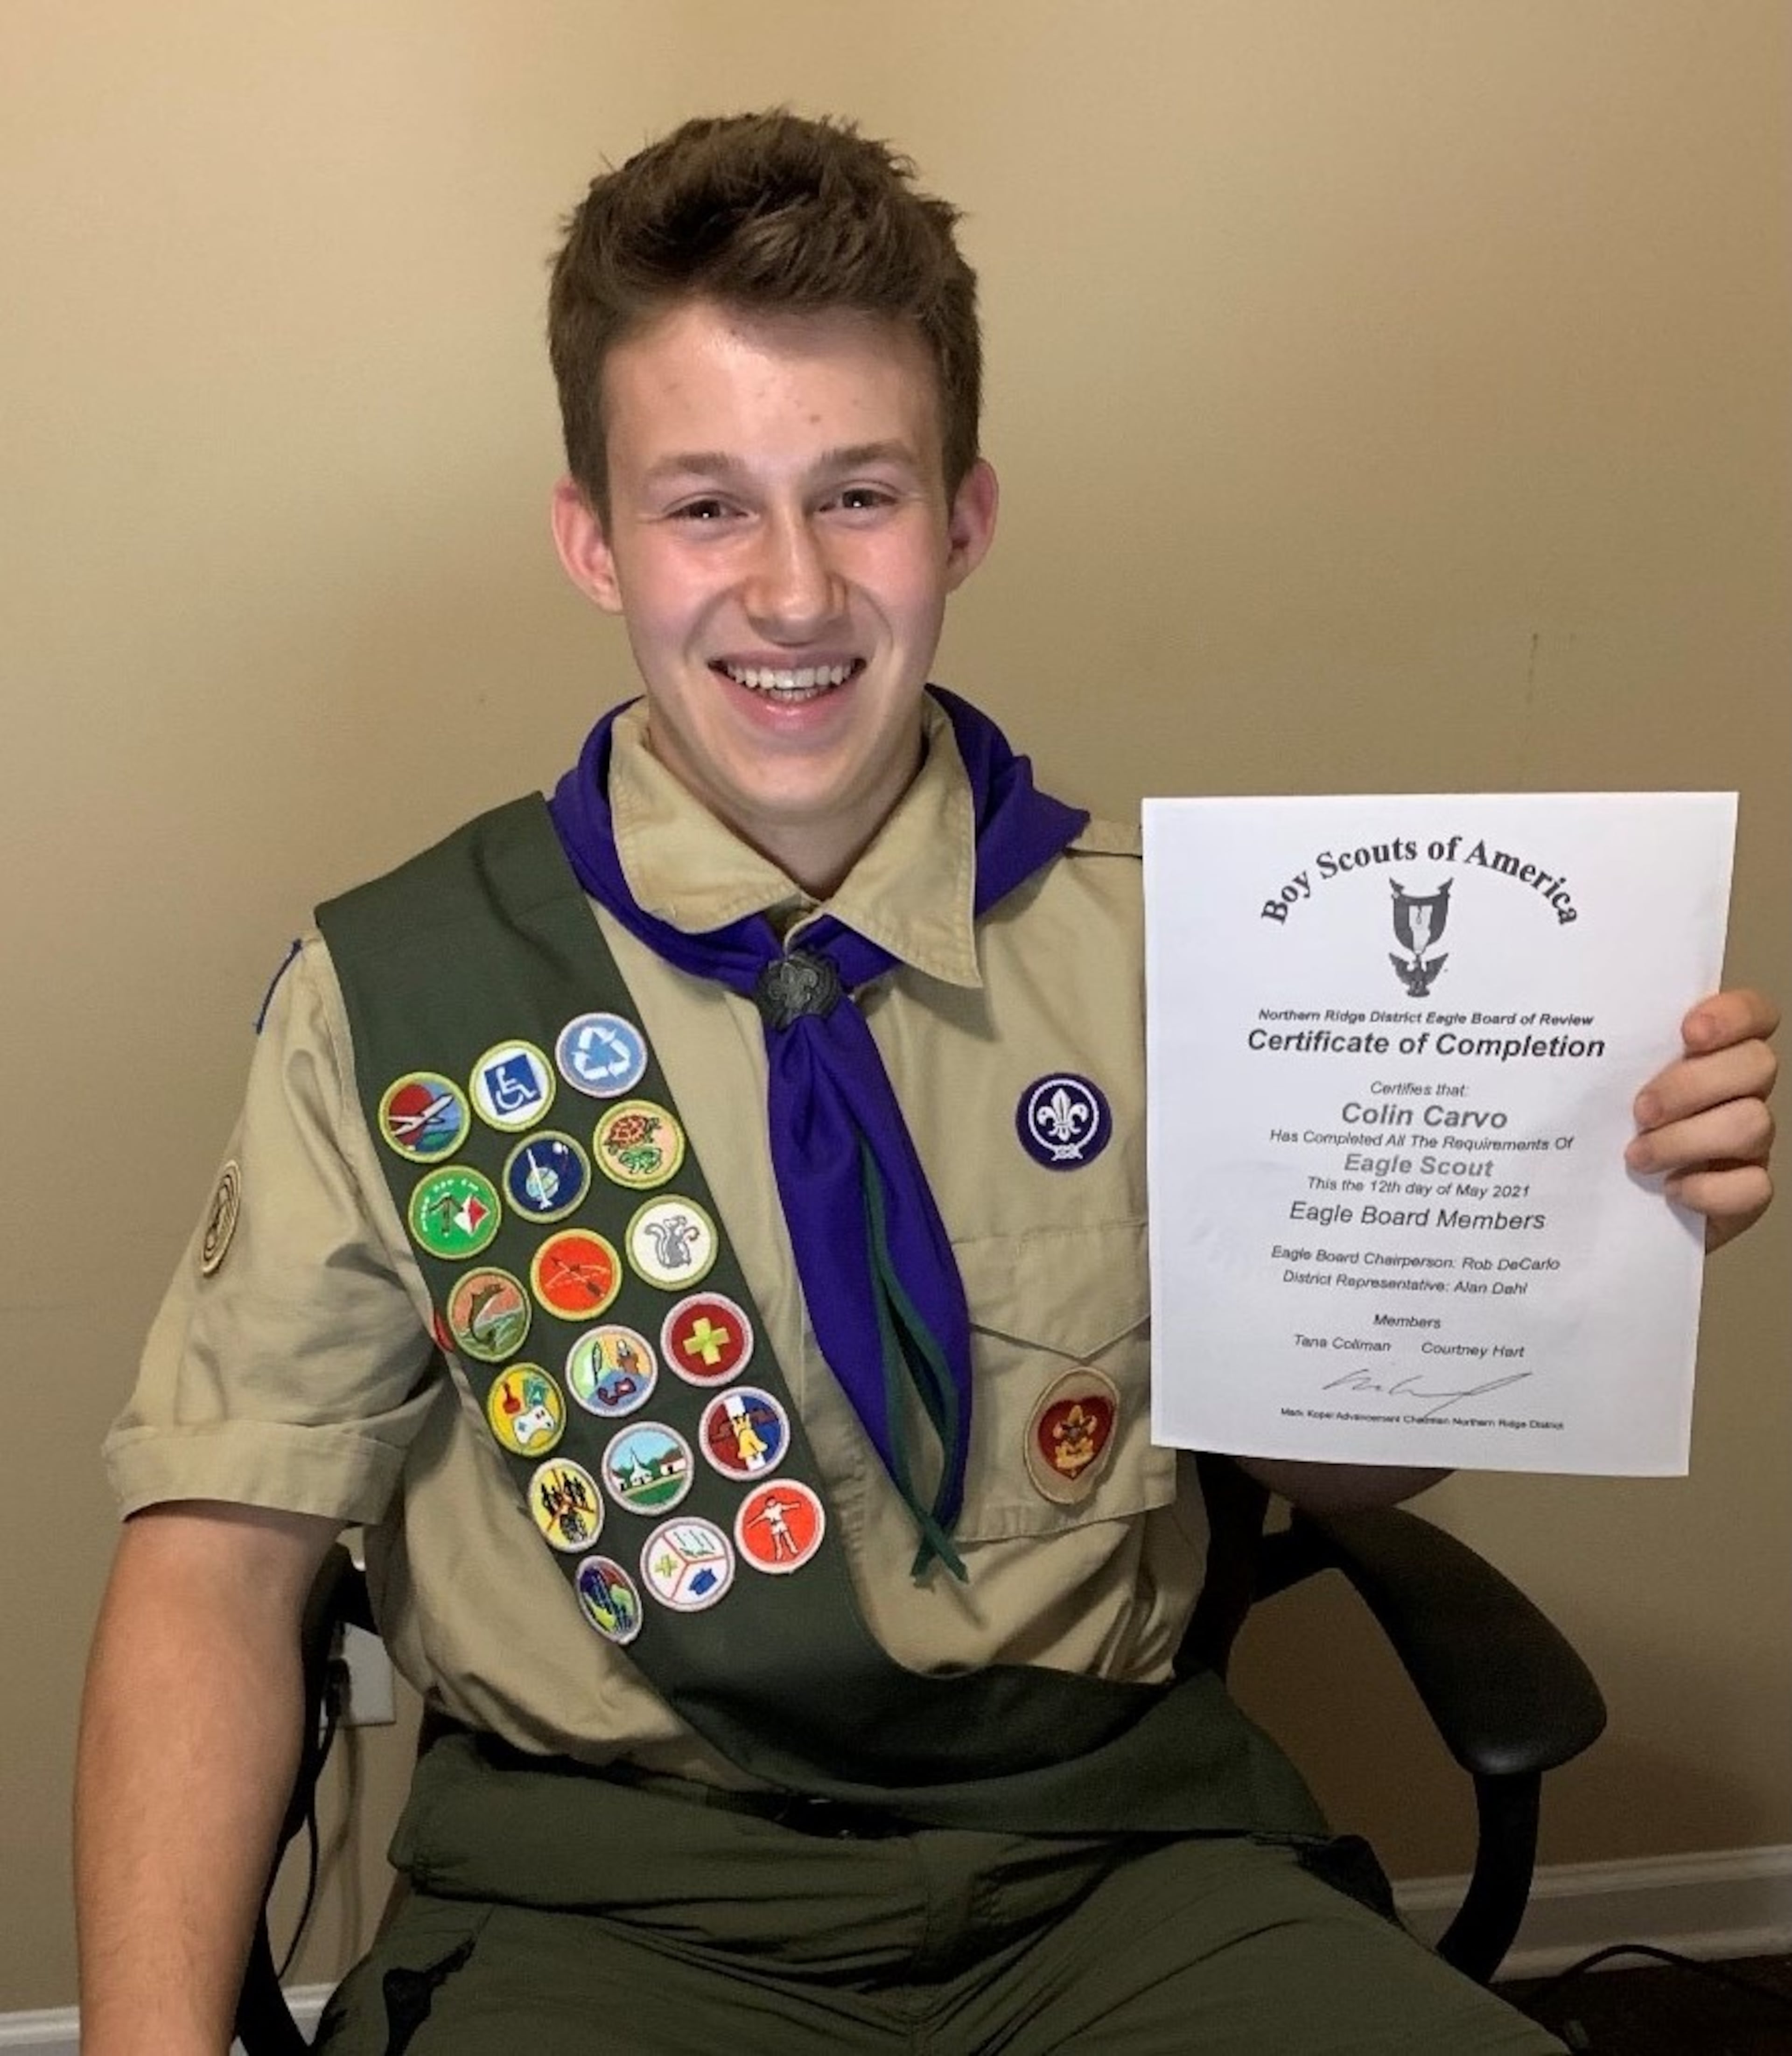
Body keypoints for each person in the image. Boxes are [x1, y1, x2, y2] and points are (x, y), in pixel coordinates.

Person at [75, 112, 1778, 2056]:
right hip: (613, 1891)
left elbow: (1334, 1455)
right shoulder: (400, 995)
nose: (792, 593)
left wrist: (1576, 1222)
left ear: (963, 517)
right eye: (706, 504)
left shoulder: (1196, 947)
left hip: (1114, 1864)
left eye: (859, 494)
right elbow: (216, 1562)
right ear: (593, 538)